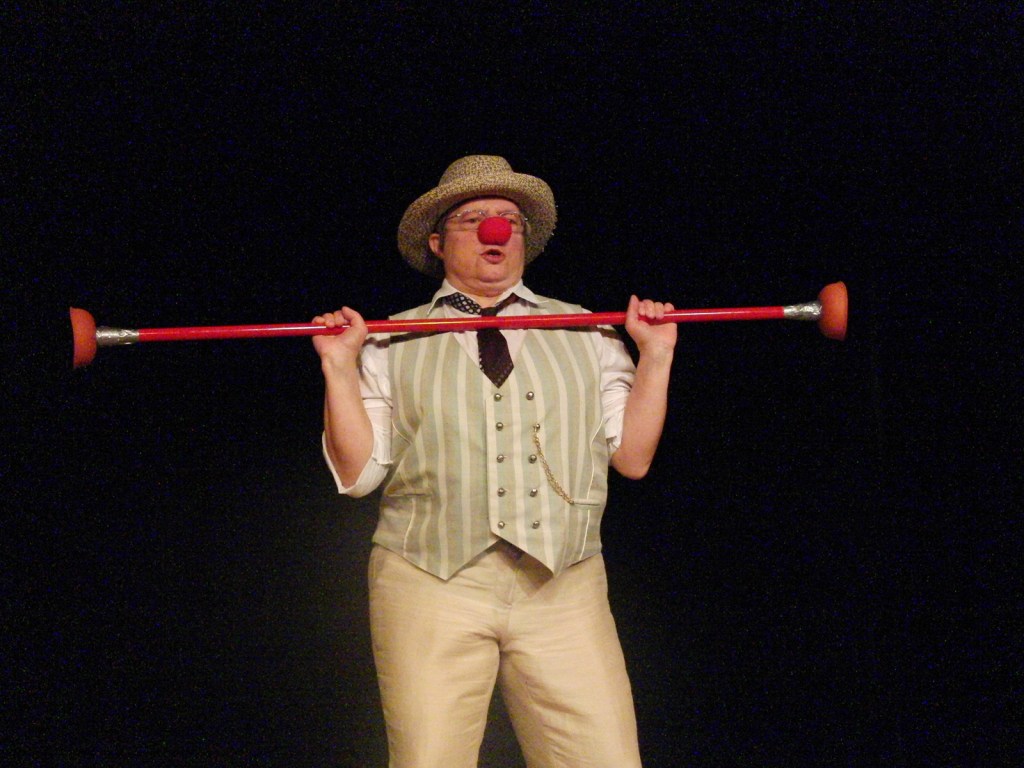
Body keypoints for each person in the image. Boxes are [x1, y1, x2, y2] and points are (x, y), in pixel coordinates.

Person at [312, 155, 677, 767]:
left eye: (509, 219)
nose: (496, 230)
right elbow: (358, 475)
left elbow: (633, 458)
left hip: (563, 583)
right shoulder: (389, 340)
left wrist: (657, 356)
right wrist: (338, 367)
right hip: (430, 582)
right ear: (437, 243)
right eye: (474, 218)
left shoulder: (588, 332)